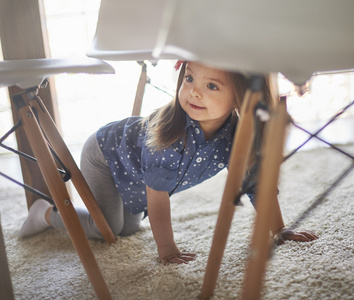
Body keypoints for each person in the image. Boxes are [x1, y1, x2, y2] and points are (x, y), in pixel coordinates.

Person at [19, 61, 318, 264]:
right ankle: (44, 213)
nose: (194, 91)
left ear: (239, 99)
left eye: (211, 86)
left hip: (135, 169)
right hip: (104, 156)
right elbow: (158, 199)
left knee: (127, 230)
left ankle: (91, 214)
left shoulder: (235, 136)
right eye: (189, 78)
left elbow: (255, 185)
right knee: (108, 228)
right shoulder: (171, 138)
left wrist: (279, 230)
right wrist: (167, 249)